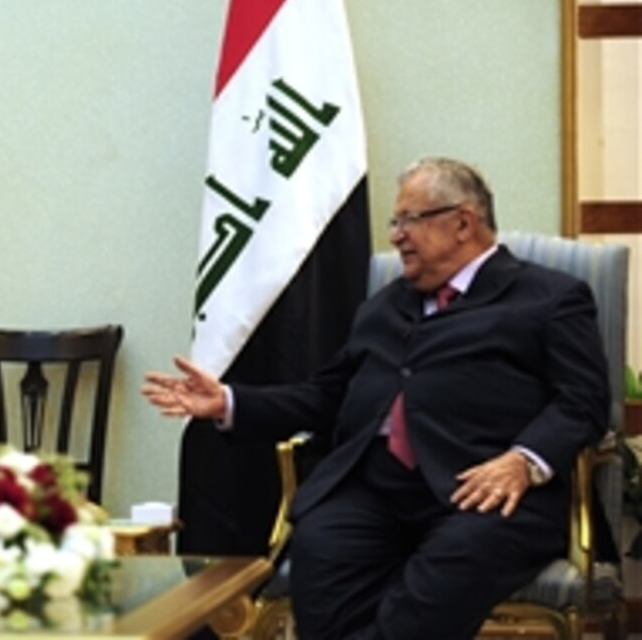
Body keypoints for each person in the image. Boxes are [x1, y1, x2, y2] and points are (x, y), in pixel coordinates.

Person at [143, 157, 609, 639]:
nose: (396, 235)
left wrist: (523, 461)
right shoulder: (385, 305)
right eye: (394, 221)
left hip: (483, 490)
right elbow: (327, 397)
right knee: (323, 554)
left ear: (463, 223)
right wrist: (229, 403)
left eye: (409, 219)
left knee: (437, 587)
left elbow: (583, 399)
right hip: (372, 490)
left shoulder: (548, 297)